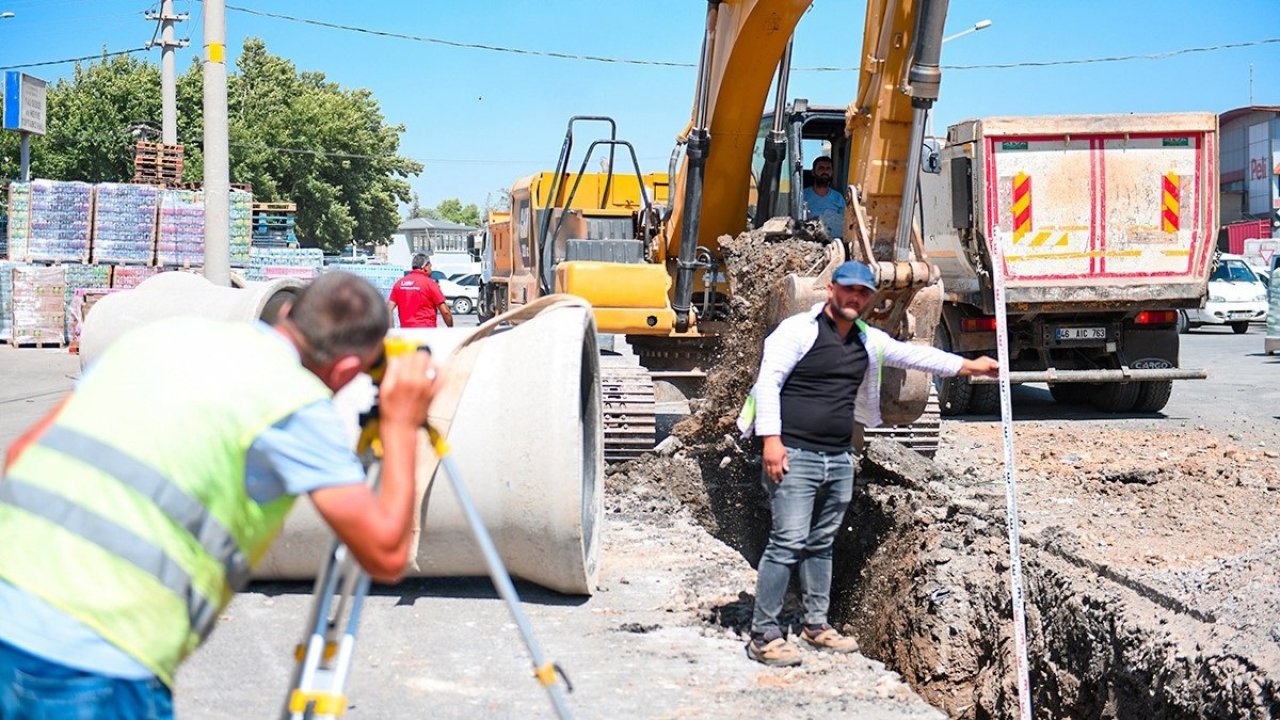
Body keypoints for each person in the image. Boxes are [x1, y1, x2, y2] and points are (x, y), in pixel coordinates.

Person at [0, 272, 437, 718]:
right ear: (346, 369)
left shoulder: (160, 339)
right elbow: (386, 553)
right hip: (98, 659)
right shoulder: (294, 402)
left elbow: (20, 454)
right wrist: (400, 425)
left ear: (287, 311)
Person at [736, 261, 999, 667]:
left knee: (821, 543)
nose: (854, 298)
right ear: (830, 290)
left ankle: (816, 625)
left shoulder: (867, 340)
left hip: (839, 457)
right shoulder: (796, 332)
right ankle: (764, 634)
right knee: (787, 542)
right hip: (795, 454)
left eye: (862, 292)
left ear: (869, 298)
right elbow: (767, 382)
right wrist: (771, 440)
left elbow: (914, 355)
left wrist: (970, 365)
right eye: (848, 290)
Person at [388, 253, 454, 329]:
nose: (431, 270)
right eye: (430, 267)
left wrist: (391, 331)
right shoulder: (430, 284)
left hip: (406, 333)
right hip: (426, 332)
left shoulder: (399, 284)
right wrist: (450, 327)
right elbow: (445, 312)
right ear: (425, 267)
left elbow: (388, 309)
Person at [802, 155, 846, 240]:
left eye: (828, 168)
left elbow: (845, 222)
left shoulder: (838, 198)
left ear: (832, 172)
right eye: (821, 168)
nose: (825, 171)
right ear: (813, 172)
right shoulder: (803, 195)